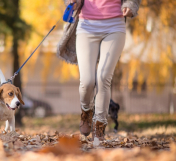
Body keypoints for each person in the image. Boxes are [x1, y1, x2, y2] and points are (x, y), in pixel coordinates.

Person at [57, 0, 141, 145]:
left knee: (103, 78)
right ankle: (86, 111)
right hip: (86, 27)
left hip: (114, 26)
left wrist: (130, 4)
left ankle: (99, 126)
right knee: (87, 81)